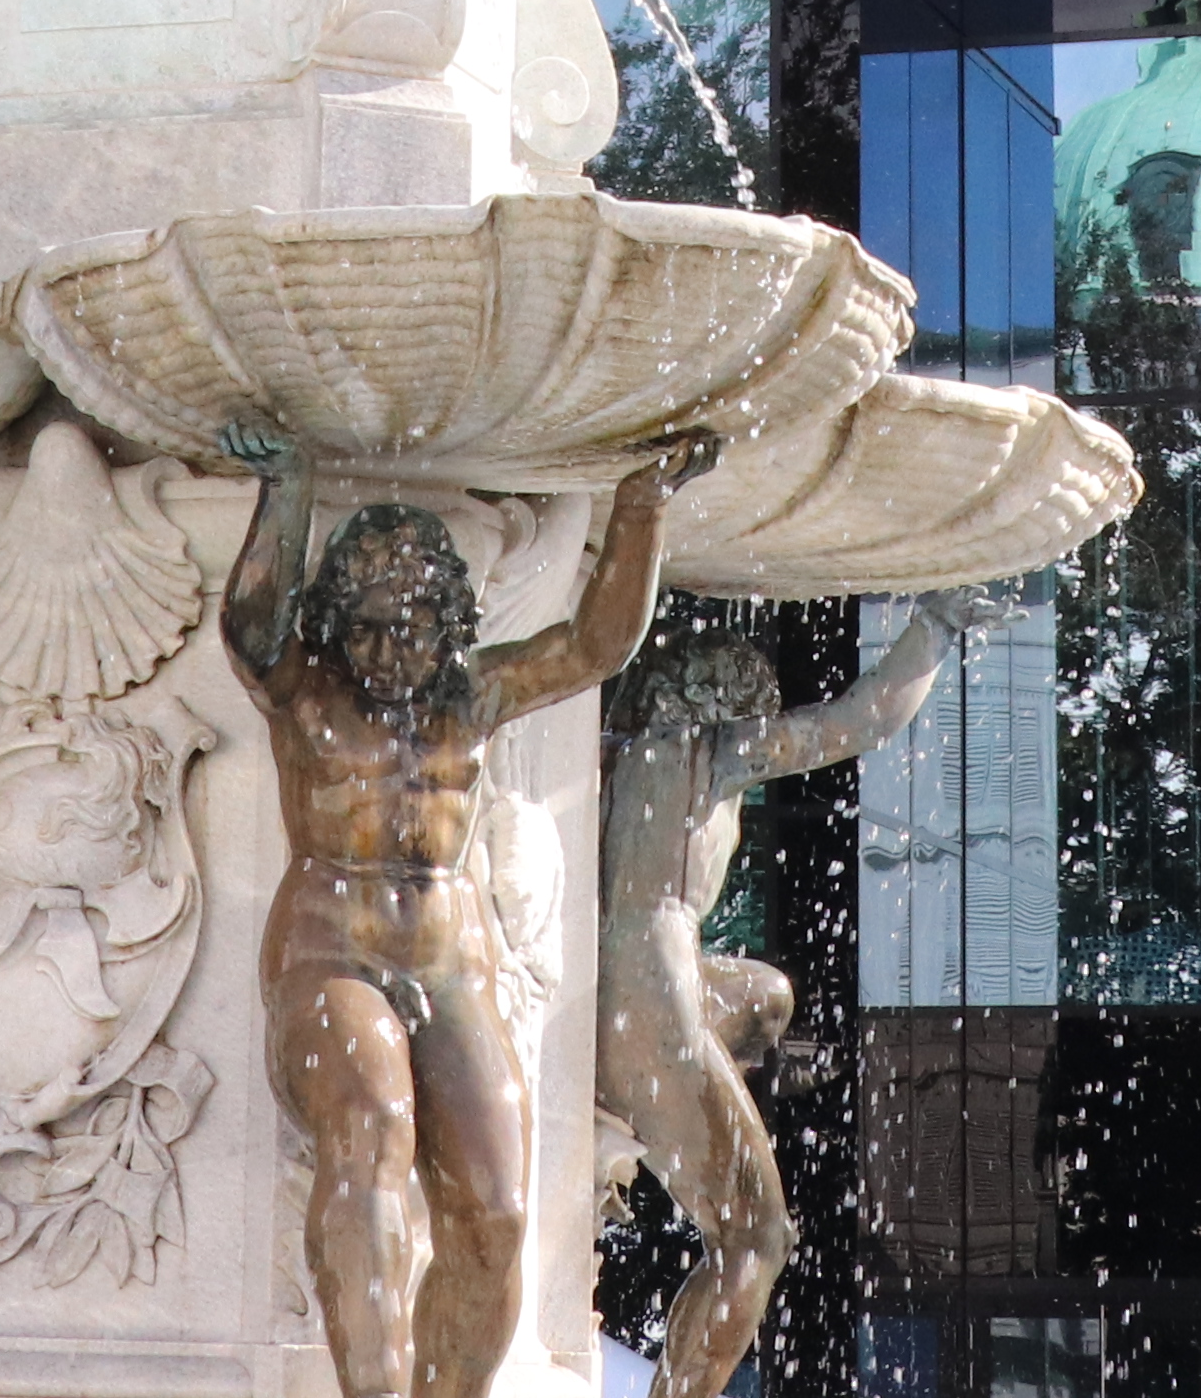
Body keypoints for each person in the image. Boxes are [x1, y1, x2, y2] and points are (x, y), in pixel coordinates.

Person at [218, 419, 709, 1398]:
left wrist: (641, 502)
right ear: (337, 620)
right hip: (331, 949)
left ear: (449, 621)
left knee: (495, 1210)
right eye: (365, 624)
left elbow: (597, 641)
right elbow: (253, 623)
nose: (388, 647)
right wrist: (287, 488)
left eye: (410, 624)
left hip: (449, 957)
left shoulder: (470, 693)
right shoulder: (305, 688)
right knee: (372, 1133)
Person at [591, 603, 957, 1398]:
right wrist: (937, 630)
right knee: (757, 1237)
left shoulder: (609, 758)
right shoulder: (704, 750)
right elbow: (862, 721)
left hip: (609, 988)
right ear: (727, 698)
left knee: (770, 995)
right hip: (653, 994)